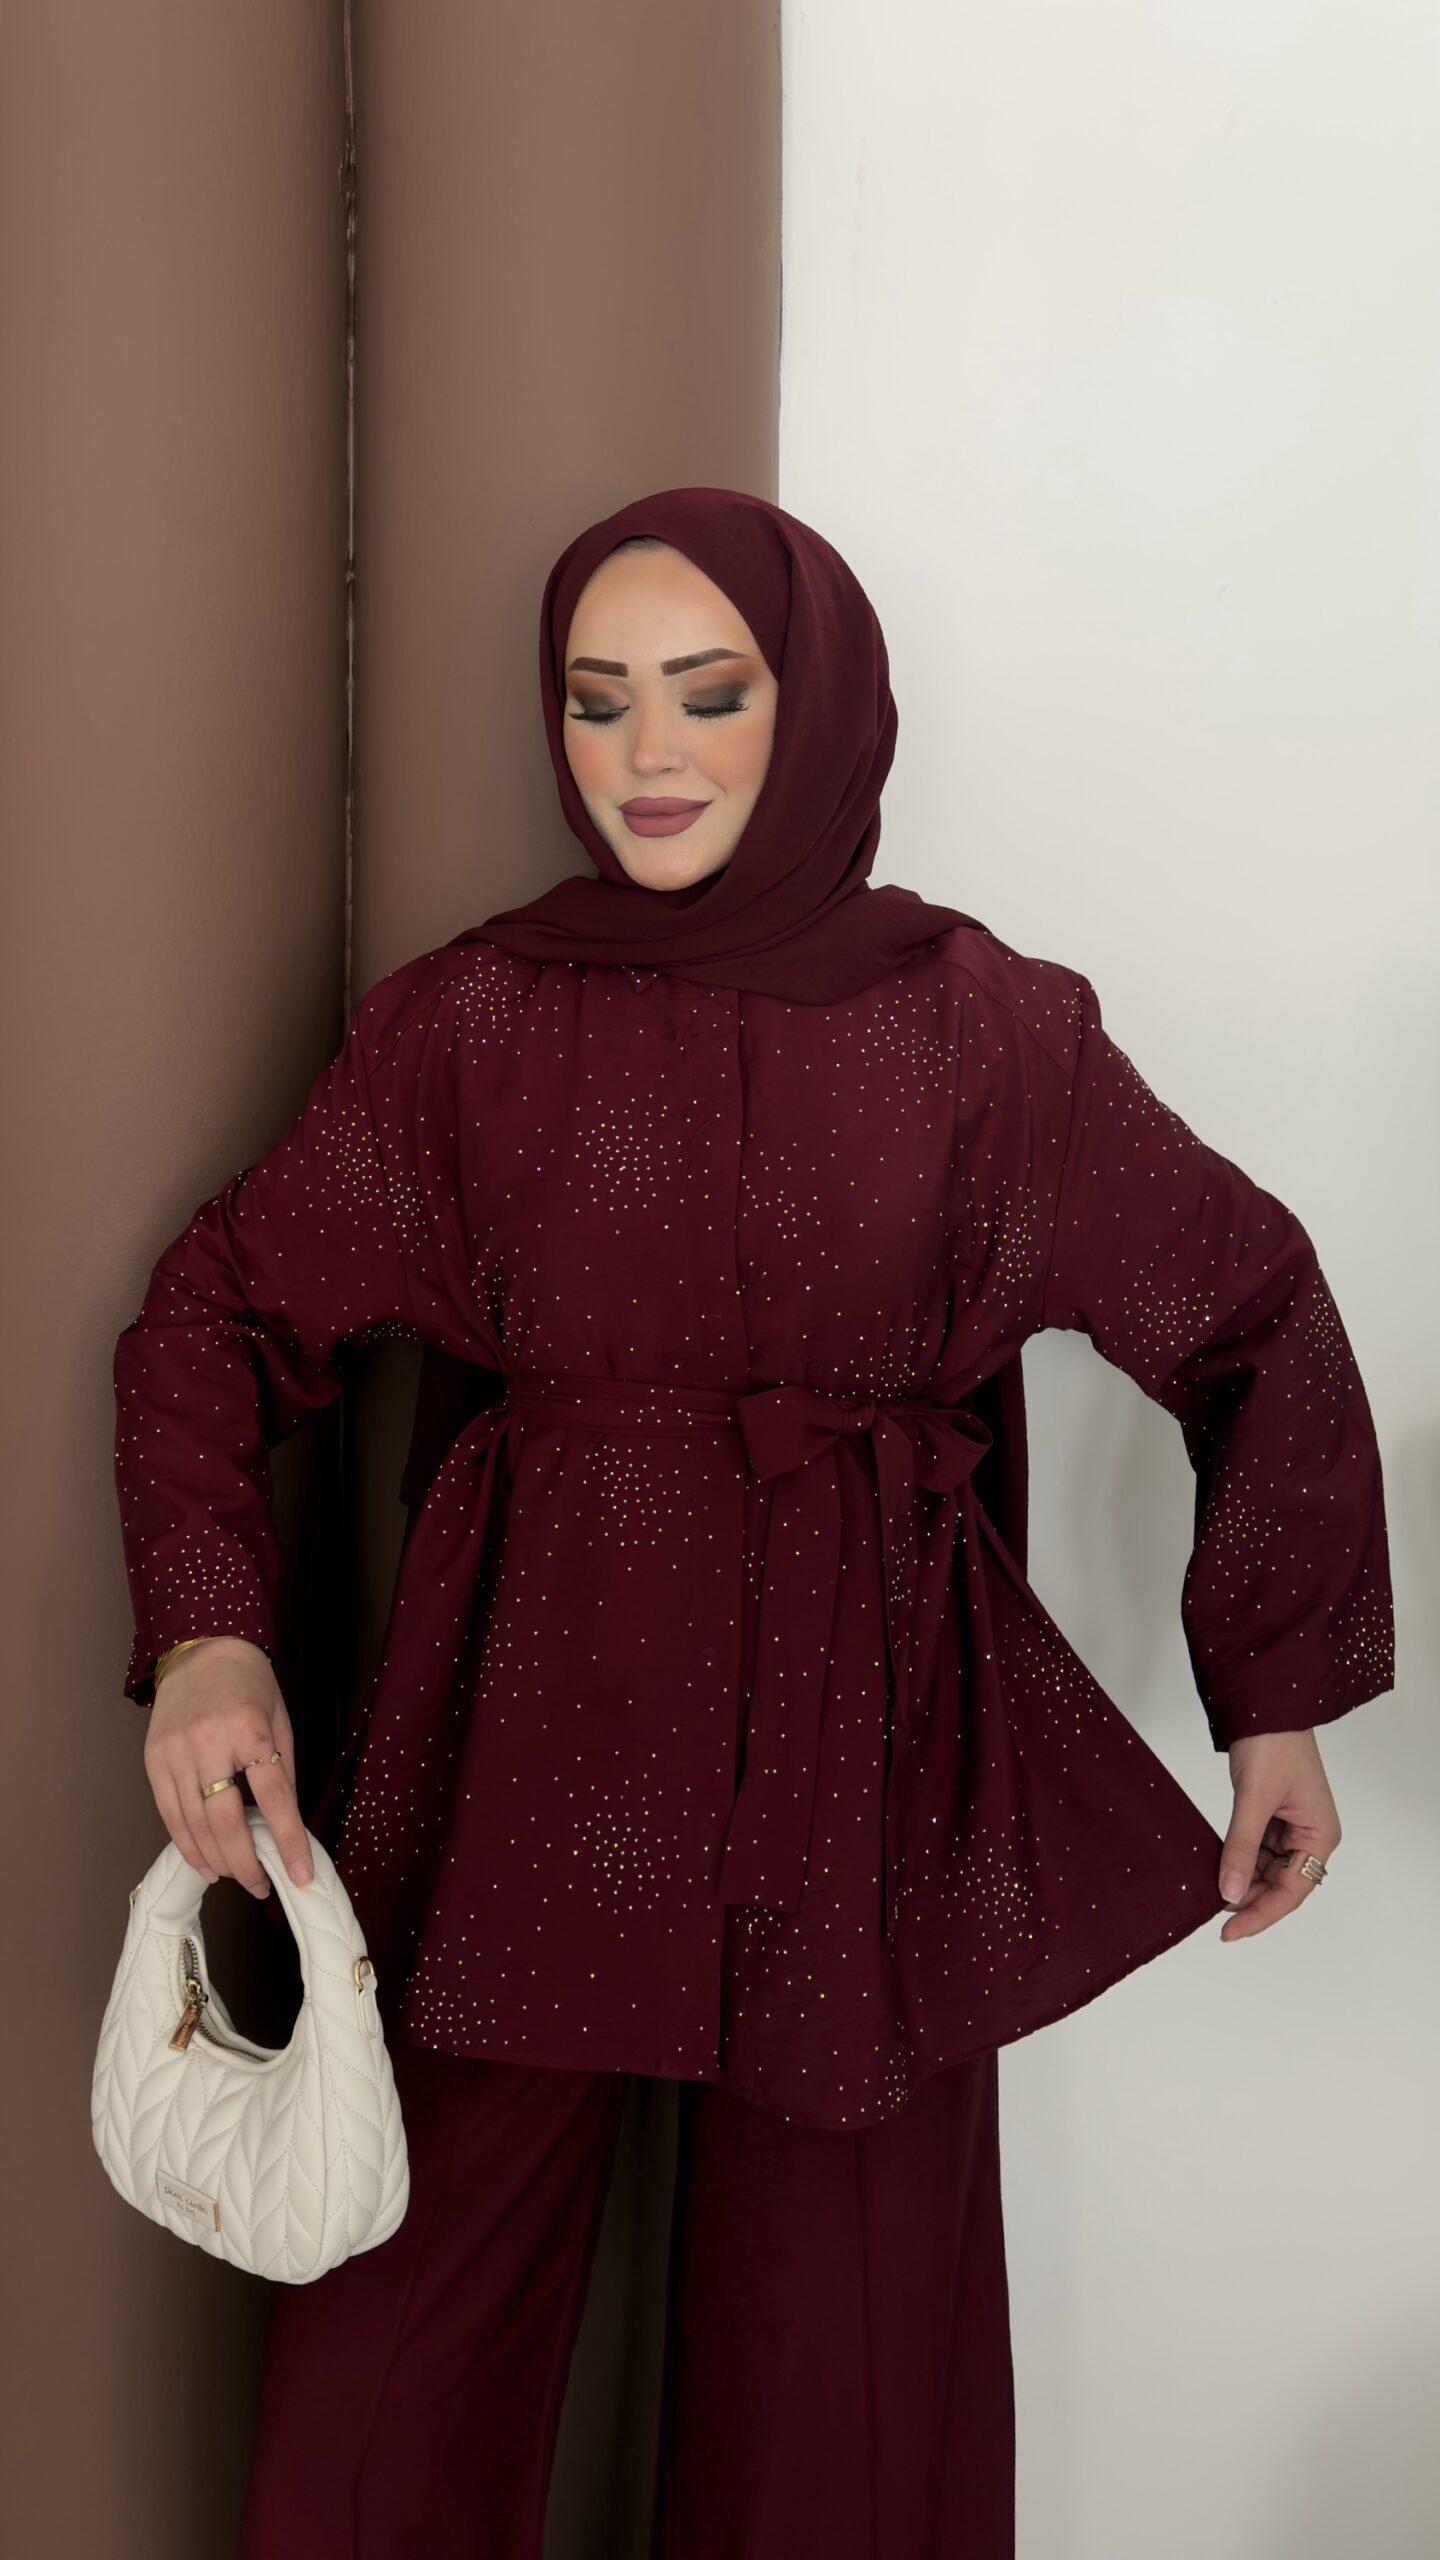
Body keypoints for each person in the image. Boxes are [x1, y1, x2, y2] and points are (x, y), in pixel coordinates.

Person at [111, 485, 1394, 2558]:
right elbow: (214, 1314)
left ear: (819, 708)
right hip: (535, 1736)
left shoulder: (987, 1031)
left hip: (857, 1760)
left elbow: (1251, 1307)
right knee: (389, 2365)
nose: (649, 751)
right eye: (598, 697)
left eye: (710, 693)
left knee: (842, 2401)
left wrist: (1277, 1691)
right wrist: (208, 1631)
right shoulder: (472, 1027)